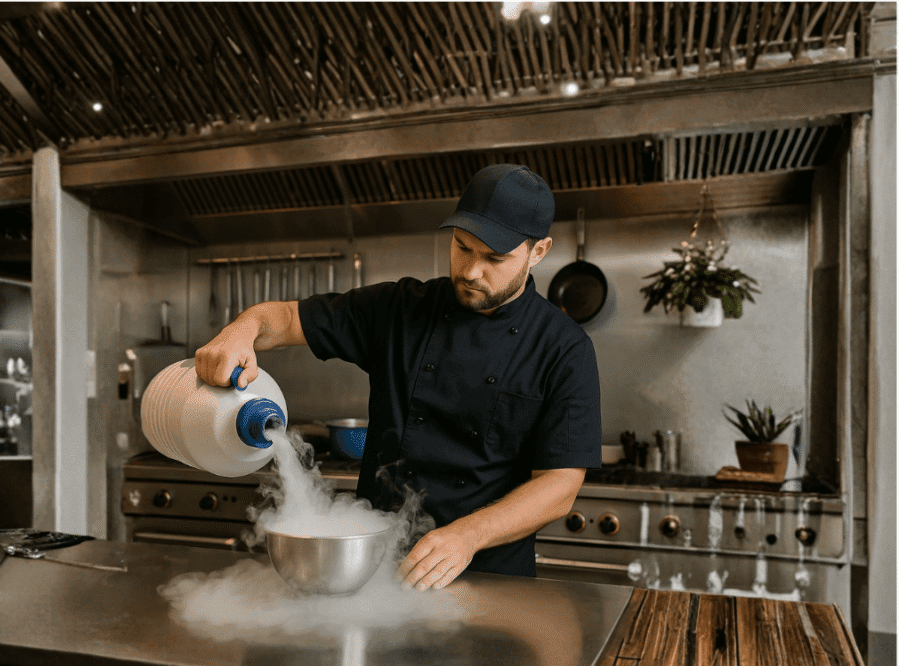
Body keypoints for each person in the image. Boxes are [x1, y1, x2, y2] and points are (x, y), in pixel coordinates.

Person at [195, 163, 602, 591]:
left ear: (538, 252)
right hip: (374, 571)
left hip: (486, 577)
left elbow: (560, 485)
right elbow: (285, 318)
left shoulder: (564, 348)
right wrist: (242, 329)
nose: (470, 271)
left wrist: (468, 535)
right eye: (462, 247)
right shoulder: (399, 308)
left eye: (495, 258)